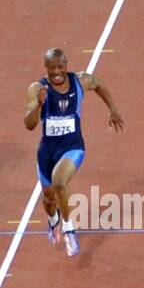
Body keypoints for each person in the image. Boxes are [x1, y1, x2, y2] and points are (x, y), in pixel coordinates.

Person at [23, 49, 123, 258]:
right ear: (46, 68)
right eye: (52, 68)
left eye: (60, 67)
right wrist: (38, 105)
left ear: (66, 65)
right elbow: (29, 125)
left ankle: (69, 229)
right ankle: (53, 220)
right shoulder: (37, 88)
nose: (57, 72)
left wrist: (113, 109)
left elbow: (99, 85)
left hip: (73, 147)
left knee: (60, 182)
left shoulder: (80, 82)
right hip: (47, 152)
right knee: (49, 199)